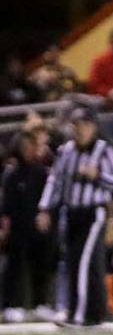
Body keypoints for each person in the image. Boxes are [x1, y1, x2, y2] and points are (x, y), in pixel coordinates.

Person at [36, 108, 113, 326]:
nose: (81, 129)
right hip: (72, 211)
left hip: (93, 211)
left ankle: (79, 314)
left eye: (85, 125)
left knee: (84, 262)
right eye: (77, 125)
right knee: (75, 261)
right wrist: (45, 208)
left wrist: (98, 175)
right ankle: (95, 313)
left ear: (94, 127)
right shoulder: (66, 151)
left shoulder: (103, 150)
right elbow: (55, 181)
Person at [1, 127, 56, 320]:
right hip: (17, 228)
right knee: (14, 268)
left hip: (38, 228)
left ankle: (40, 304)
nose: (29, 150)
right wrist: (5, 227)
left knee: (41, 266)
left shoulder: (43, 173)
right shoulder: (11, 174)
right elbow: (6, 205)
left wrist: (46, 217)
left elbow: (49, 201)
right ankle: (11, 305)